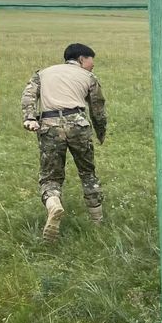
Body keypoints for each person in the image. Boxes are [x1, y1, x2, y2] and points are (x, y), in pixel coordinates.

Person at [21, 43, 107, 241]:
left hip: (49, 125)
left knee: (50, 176)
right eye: (90, 60)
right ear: (80, 59)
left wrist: (30, 118)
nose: (92, 65)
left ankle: (53, 205)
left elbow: (28, 96)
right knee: (88, 174)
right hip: (78, 124)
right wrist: (100, 132)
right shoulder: (89, 77)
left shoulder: (42, 73)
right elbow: (98, 108)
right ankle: (97, 223)